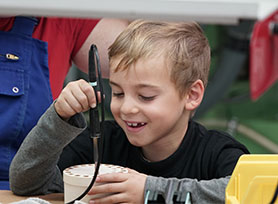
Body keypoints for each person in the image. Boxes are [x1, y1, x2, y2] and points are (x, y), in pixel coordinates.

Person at [10, 20, 249, 203]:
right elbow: (27, 184)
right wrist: (59, 119)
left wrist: (148, 192)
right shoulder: (102, 143)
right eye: (118, 93)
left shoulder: (218, 152)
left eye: (146, 96)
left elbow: (252, 195)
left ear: (192, 95)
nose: (126, 108)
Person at [0, 16, 129, 190]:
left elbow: (145, 53)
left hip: (29, 191)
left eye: (146, 96)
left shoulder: (60, 16)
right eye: (118, 94)